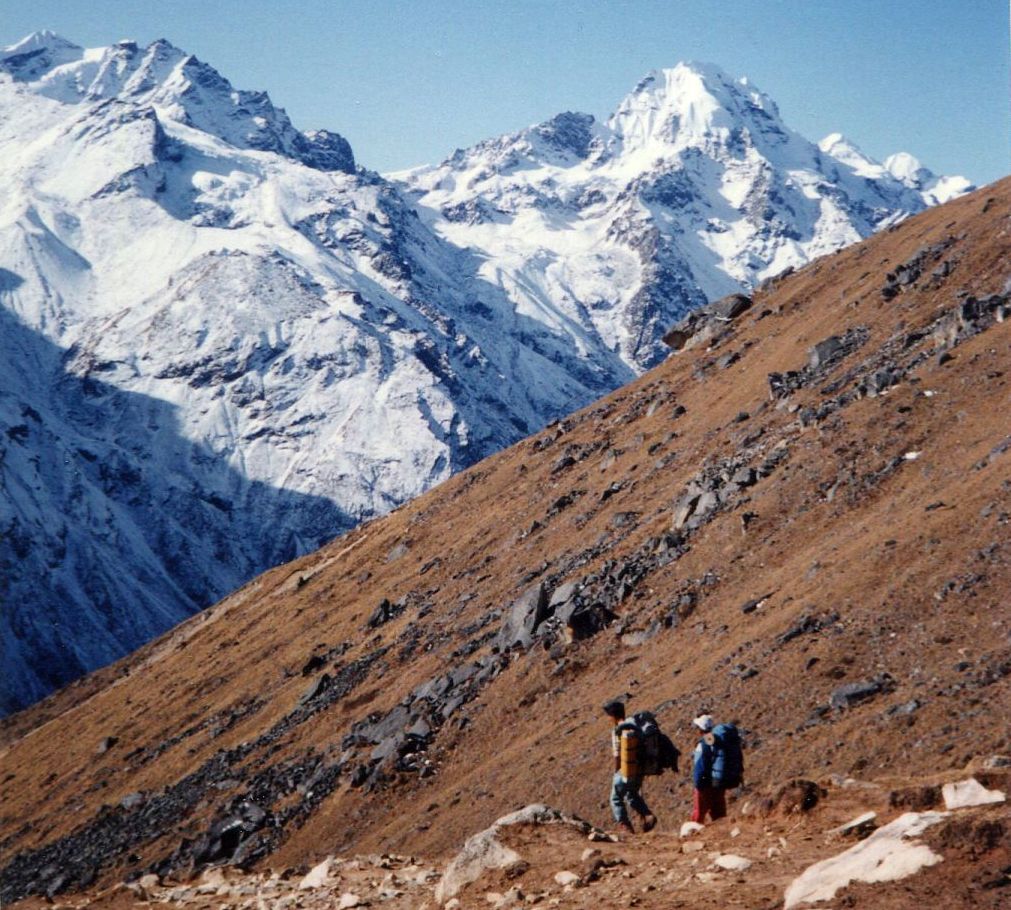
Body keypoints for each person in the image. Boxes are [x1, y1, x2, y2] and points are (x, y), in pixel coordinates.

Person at [603, 700, 657, 834]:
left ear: (613, 716)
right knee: (631, 794)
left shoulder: (618, 731)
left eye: (609, 716)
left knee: (615, 798)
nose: (608, 719)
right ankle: (647, 815)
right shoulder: (634, 726)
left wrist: (617, 771)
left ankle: (625, 826)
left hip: (625, 769)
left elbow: (617, 756)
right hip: (640, 768)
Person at [690, 713, 727, 823]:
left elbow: (700, 767)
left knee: (698, 815)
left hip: (705, 785)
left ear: (700, 729)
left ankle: (693, 836)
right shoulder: (717, 740)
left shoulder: (702, 744)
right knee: (719, 815)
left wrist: (698, 785)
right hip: (719, 782)